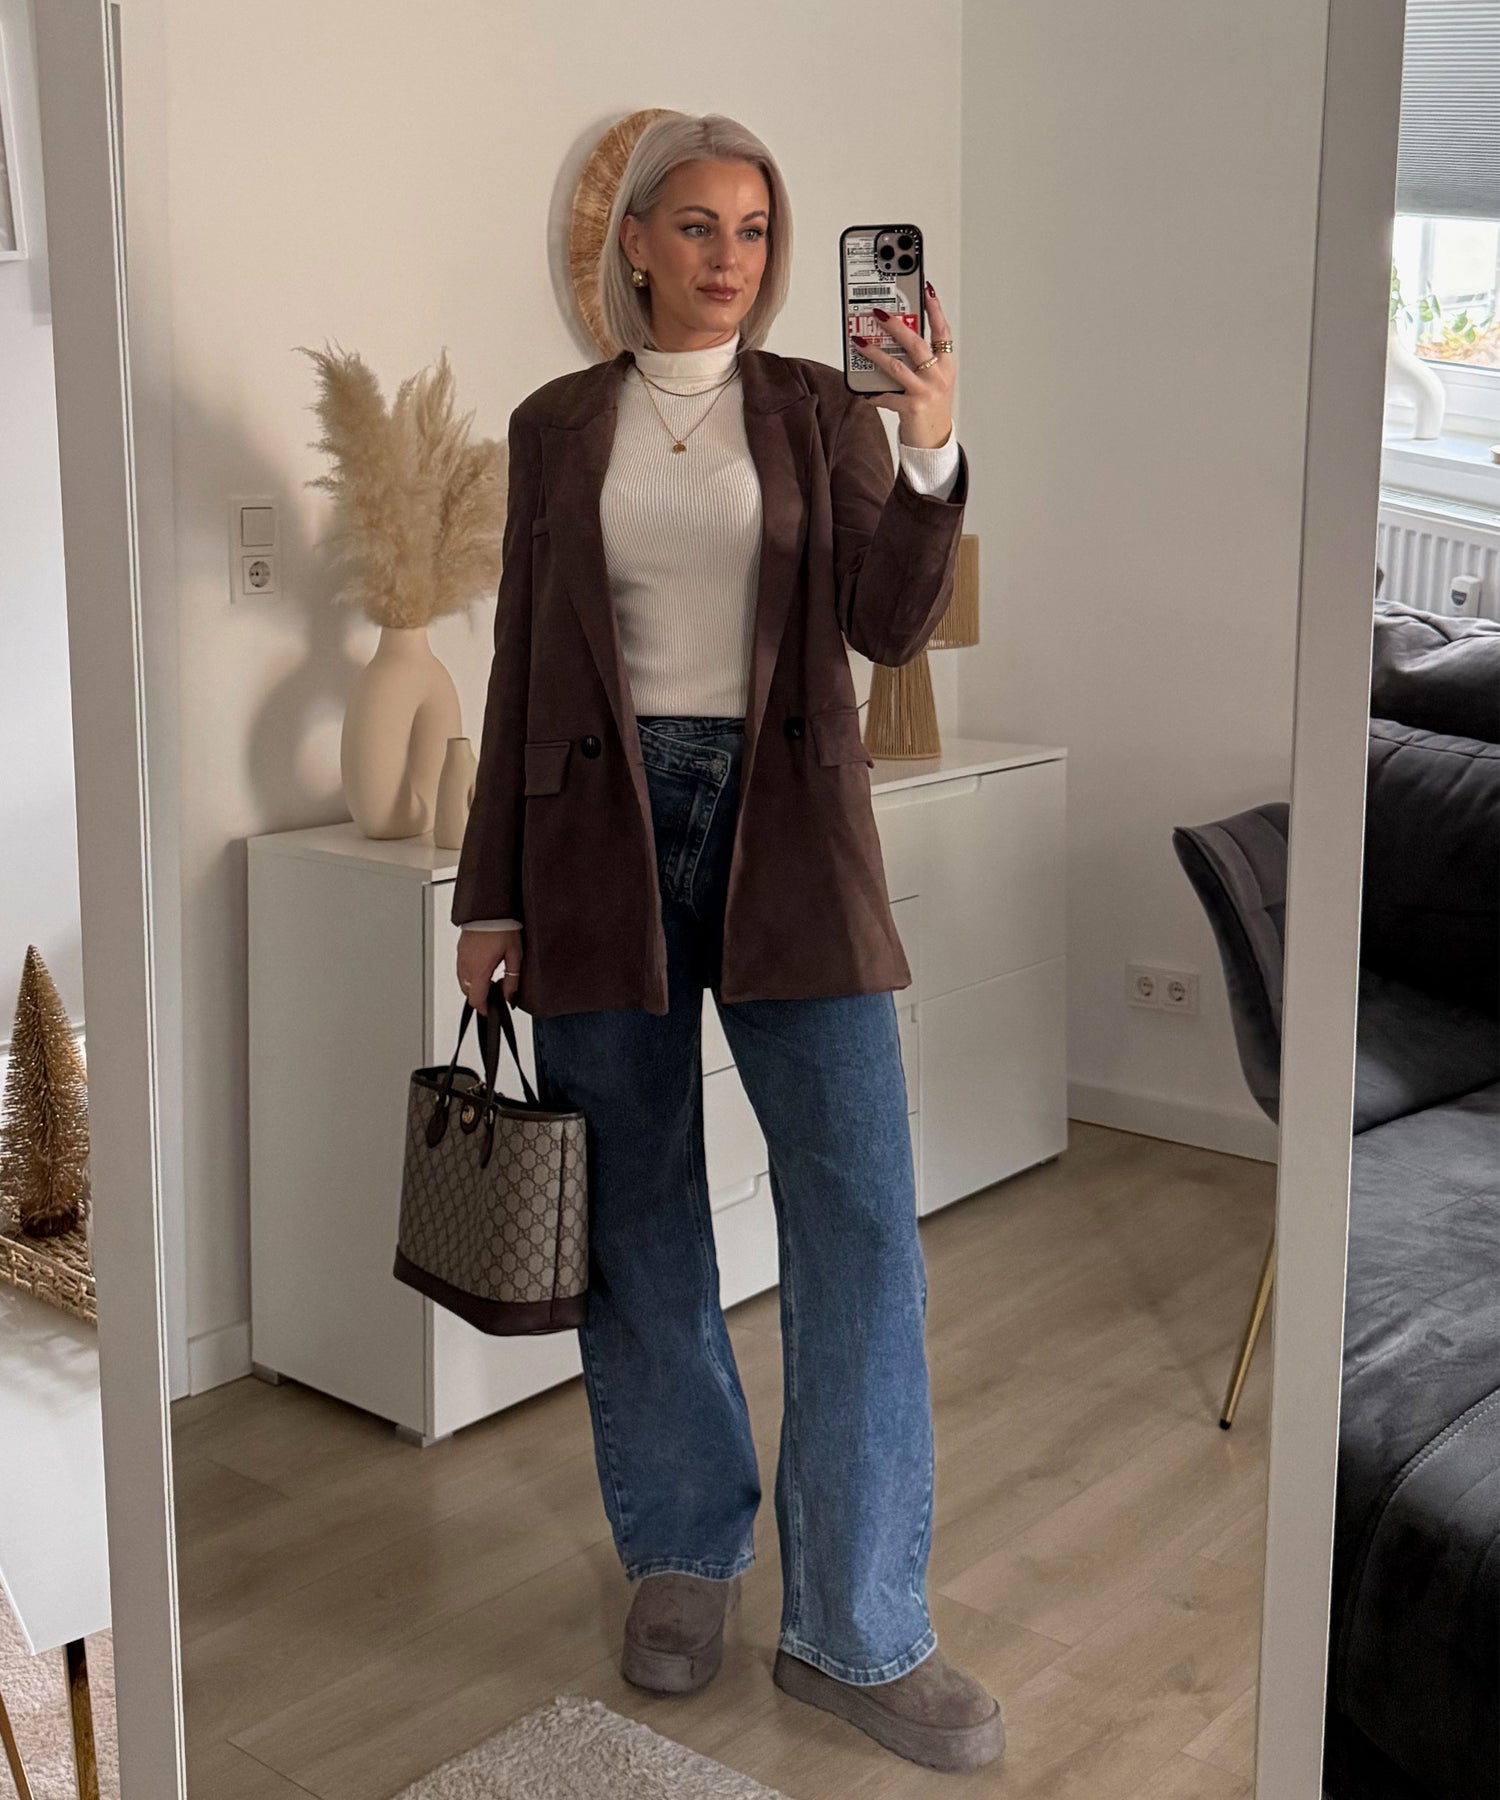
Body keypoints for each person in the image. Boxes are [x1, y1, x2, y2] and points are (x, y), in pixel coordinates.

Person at [452, 111, 1004, 1774]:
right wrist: (490, 895)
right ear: (634, 242)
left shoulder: (822, 410)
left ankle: (858, 1626)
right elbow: (519, 666)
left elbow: (888, 625)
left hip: (791, 839)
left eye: (756, 231)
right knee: (639, 1217)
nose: (730, 260)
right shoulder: (555, 427)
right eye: (697, 226)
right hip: (595, 840)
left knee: (862, 1229)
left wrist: (928, 450)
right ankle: (684, 1555)